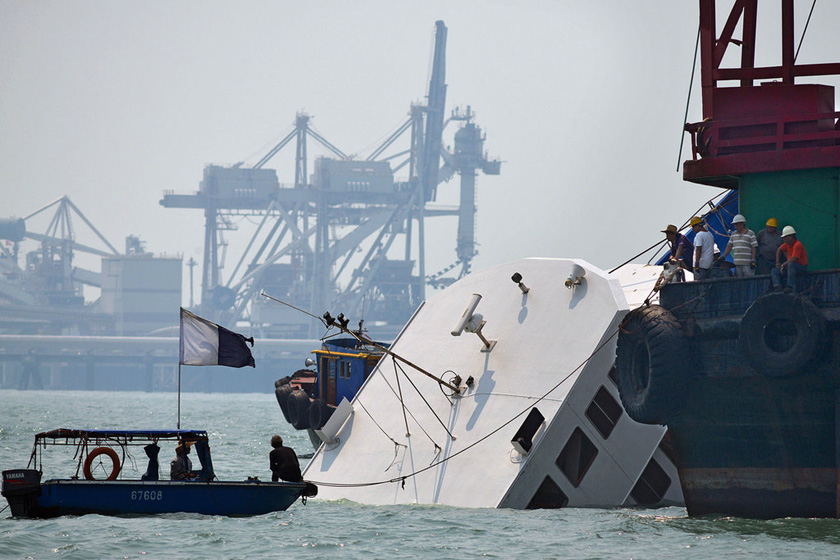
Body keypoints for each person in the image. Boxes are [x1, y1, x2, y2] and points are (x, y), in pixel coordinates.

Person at [771, 225, 808, 293]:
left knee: (791, 264)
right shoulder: (787, 244)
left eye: (785, 237)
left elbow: (794, 259)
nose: (784, 239)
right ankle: (777, 287)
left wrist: (783, 265)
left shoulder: (797, 245)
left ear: (791, 236)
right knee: (774, 271)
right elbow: (779, 249)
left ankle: (790, 286)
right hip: (790, 267)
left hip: (801, 267)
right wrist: (777, 262)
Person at [691, 216, 715, 281]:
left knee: (700, 286)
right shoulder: (710, 234)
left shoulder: (699, 235)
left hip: (700, 265)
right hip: (708, 265)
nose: (693, 229)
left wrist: (697, 263)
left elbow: (698, 249)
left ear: (697, 226)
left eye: (693, 227)